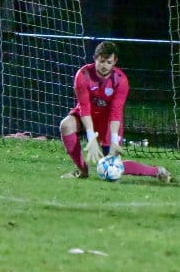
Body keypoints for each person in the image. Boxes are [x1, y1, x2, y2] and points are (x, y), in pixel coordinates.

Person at [59, 41, 173, 182]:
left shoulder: (120, 80)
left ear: (115, 62)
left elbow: (116, 112)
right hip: (86, 115)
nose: (104, 66)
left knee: (114, 166)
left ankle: (157, 171)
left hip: (108, 121)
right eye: (101, 61)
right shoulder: (83, 75)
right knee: (66, 125)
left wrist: (114, 140)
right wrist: (91, 137)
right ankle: (82, 171)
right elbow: (84, 108)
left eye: (109, 62)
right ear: (95, 58)